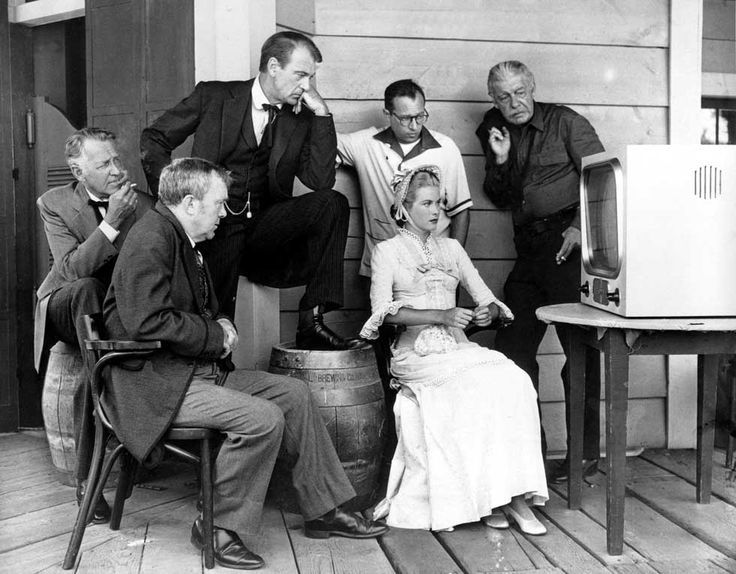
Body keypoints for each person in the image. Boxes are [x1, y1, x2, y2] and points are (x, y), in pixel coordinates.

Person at [103, 157, 387, 570]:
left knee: (294, 393)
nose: (225, 213)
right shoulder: (151, 237)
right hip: (154, 385)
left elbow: (197, 309)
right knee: (262, 418)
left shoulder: (181, 239)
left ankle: (325, 509)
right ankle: (216, 526)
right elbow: (146, 322)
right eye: (219, 203)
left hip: (187, 374)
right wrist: (214, 335)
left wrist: (219, 322)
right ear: (190, 203)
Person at [140, 31, 356, 351]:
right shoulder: (214, 97)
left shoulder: (301, 118)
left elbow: (320, 180)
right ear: (273, 66)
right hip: (215, 228)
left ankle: (311, 321)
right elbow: (154, 138)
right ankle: (213, 363)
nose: (307, 86)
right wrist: (174, 200)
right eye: (300, 75)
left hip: (263, 231)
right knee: (216, 317)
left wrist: (322, 115)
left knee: (332, 202)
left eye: (311, 78)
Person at [361, 165, 548, 534]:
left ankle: (507, 496)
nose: (436, 211)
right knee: (472, 388)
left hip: (457, 349)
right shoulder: (387, 252)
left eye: (439, 203)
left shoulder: (452, 248)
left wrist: (487, 312)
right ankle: (498, 500)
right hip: (414, 355)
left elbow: (489, 301)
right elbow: (383, 314)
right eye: (427, 204)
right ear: (404, 209)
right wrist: (442, 314)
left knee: (515, 380)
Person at [475, 60, 605, 483]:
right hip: (529, 250)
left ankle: (583, 455)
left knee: (579, 351)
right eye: (503, 97)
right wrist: (500, 160)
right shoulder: (493, 126)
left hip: (567, 245)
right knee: (512, 348)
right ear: (493, 98)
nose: (513, 103)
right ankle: (530, 455)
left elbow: (603, 180)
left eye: (519, 92)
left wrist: (580, 227)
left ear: (532, 86)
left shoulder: (566, 122)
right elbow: (498, 196)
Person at [34, 127, 153, 524]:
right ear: (78, 171)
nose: (118, 170)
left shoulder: (146, 205)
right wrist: (112, 222)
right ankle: (110, 381)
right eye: (104, 164)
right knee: (85, 288)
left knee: (93, 374)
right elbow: (70, 270)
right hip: (66, 304)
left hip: (115, 313)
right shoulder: (54, 203)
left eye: (117, 160)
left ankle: (89, 480)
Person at [337, 79, 472, 276]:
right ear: (388, 114)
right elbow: (326, 140)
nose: (414, 125)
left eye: (420, 116)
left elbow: (461, 211)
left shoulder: (446, 148)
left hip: (434, 269)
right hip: (383, 268)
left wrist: (453, 265)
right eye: (405, 118)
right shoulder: (365, 144)